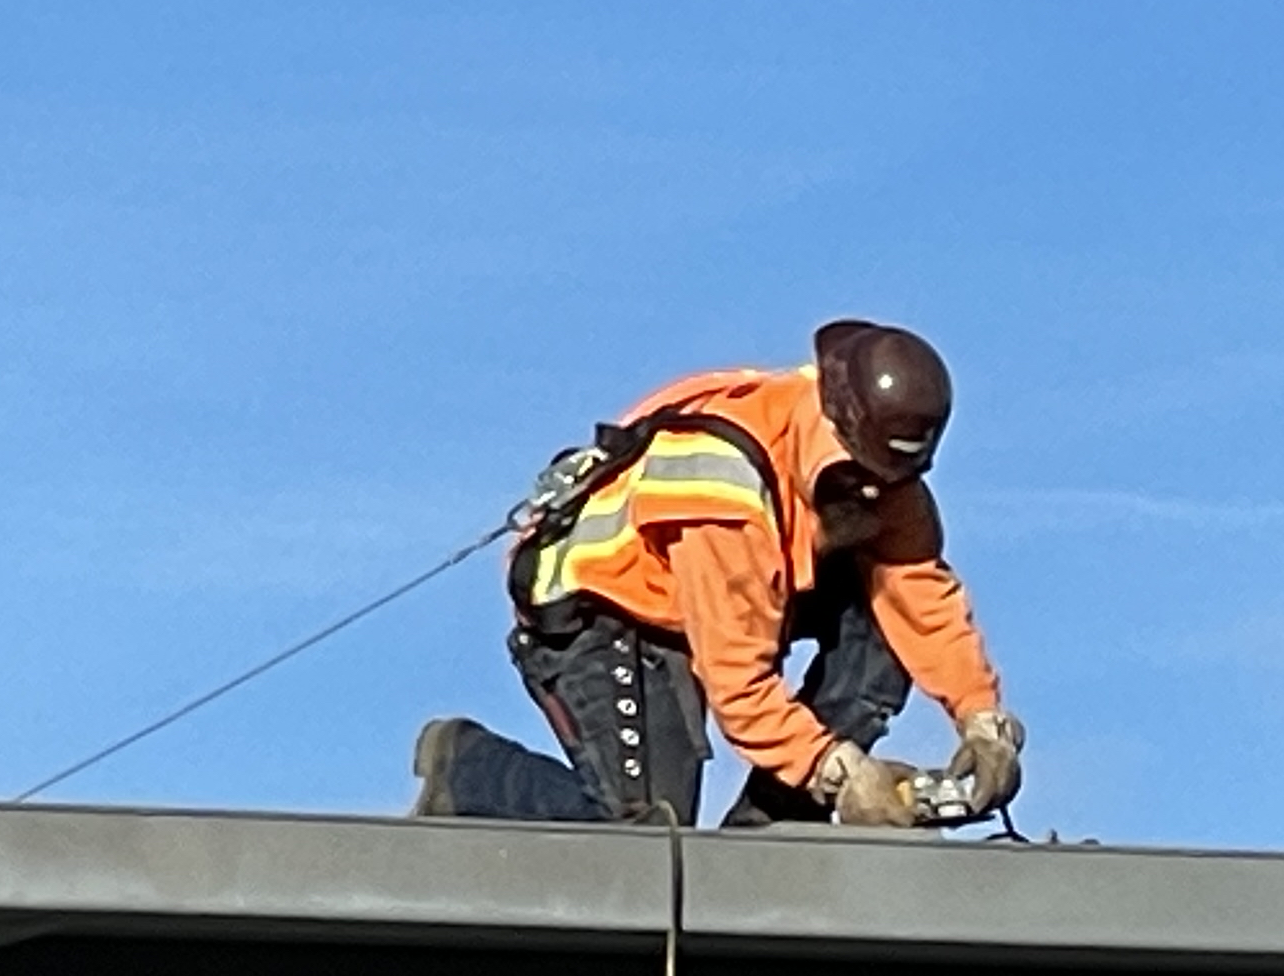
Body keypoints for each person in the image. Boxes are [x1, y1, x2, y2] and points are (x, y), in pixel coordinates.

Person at [410, 321, 1024, 828]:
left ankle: (773, 825)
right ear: (835, 423)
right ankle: (465, 765)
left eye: (890, 480)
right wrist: (839, 773)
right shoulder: (722, 489)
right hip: (604, 611)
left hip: (723, 600)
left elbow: (920, 591)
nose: (872, 491)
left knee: (886, 607)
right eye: (860, 472)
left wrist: (982, 719)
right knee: (647, 837)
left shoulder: (883, 479)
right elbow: (738, 682)